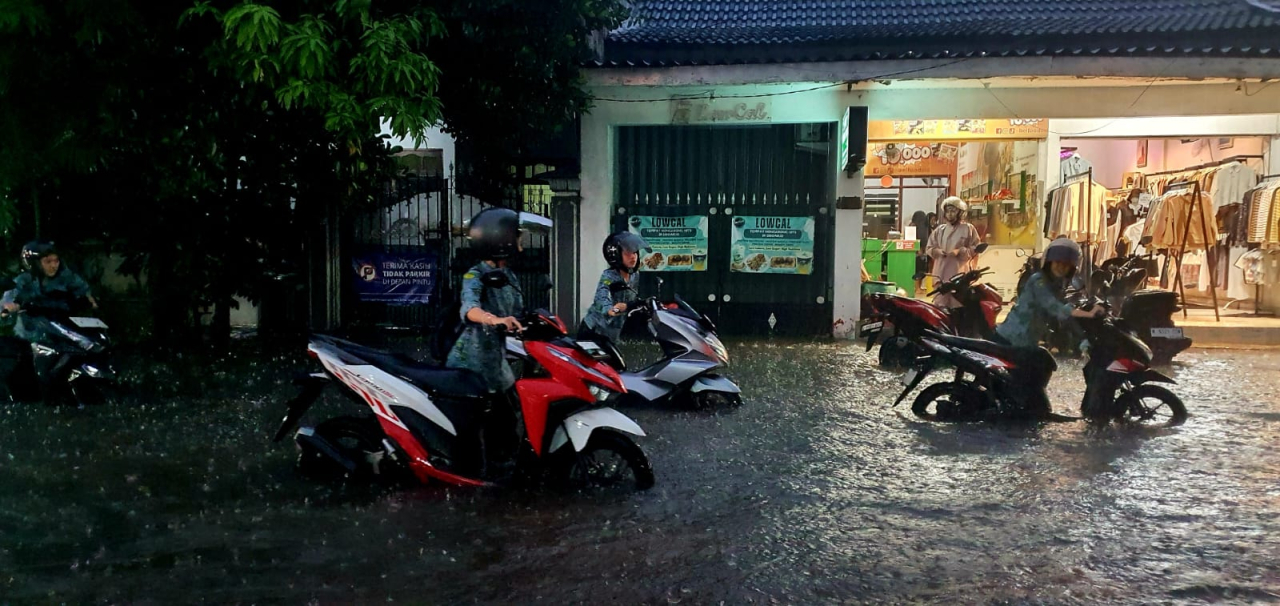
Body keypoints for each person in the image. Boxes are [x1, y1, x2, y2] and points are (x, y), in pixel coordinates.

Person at [445, 208, 525, 394]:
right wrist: (495, 320)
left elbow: (518, 311)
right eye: (517, 236)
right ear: (500, 241)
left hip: (496, 360)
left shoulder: (508, 275)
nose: (521, 241)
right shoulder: (475, 275)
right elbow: (470, 309)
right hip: (471, 363)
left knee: (510, 411)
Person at [995, 237, 1103, 349]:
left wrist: (1083, 337)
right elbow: (1055, 307)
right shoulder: (1038, 281)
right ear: (1049, 262)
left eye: (1066, 265)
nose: (1061, 267)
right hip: (1010, 338)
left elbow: (1065, 313)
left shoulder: (1056, 285)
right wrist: (1089, 314)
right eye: (1057, 262)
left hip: (1026, 341)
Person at [2, 240, 98, 346]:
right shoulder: (23, 281)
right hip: (31, 334)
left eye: (56, 261)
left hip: (63, 330)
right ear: (34, 263)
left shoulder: (66, 277)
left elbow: (83, 289)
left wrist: (89, 300)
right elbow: (7, 304)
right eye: (48, 261)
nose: (54, 265)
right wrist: (10, 308)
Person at [580, 232, 649, 347]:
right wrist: (609, 309)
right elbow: (601, 295)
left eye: (635, 253)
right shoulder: (609, 276)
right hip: (595, 329)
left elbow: (631, 298)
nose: (633, 256)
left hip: (613, 332)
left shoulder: (634, 275)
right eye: (627, 253)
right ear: (616, 255)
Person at [926, 197, 982, 308]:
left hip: (960, 277)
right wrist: (937, 251)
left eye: (953, 211)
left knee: (958, 308)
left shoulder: (968, 229)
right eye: (947, 211)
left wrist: (960, 251)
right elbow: (929, 248)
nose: (950, 214)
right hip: (940, 275)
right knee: (940, 307)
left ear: (960, 213)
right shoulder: (939, 230)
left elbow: (976, 249)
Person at [910, 211, 933, 297]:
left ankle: (918, 287)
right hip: (918, 252)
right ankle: (917, 288)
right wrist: (920, 249)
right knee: (918, 269)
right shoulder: (916, 227)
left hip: (918, 252)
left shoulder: (915, 225)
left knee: (920, 270)